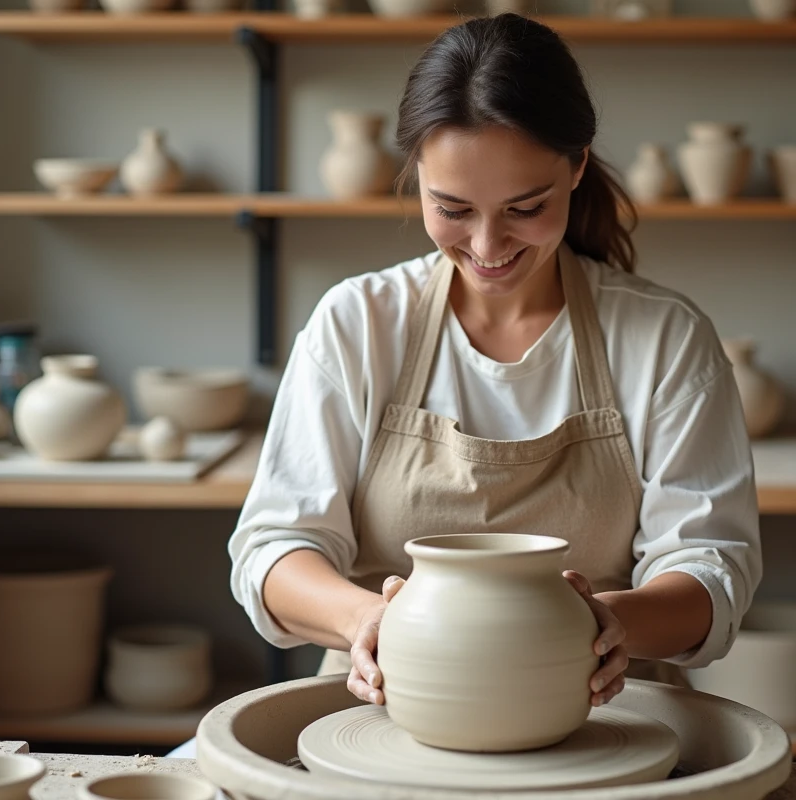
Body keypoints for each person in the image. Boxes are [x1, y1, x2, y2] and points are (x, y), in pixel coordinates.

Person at [230, 12, 760, 717]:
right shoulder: (358, 324)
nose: (487, 246)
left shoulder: (663, 338)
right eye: (452, 209)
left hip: (609, 717)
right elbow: (274, 547)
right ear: (417, 175)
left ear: (577, 165)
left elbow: (712, 567)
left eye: (525, 208)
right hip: (389, 710)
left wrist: (610, 625)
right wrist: (365, 619)